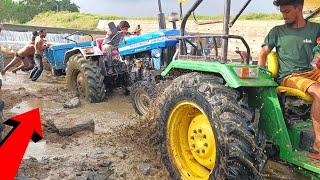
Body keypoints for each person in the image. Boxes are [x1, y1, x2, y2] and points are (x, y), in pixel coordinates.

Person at [258, 0, 320, 159]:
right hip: (290, 76)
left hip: (310, 72)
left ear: (299, 9)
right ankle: (317, 146)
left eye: (286, 11)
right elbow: (263, 54)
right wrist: (260, 74)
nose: (283, 16)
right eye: (282, 12)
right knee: (318, 92)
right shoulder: (277, 32)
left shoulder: (315, 28)